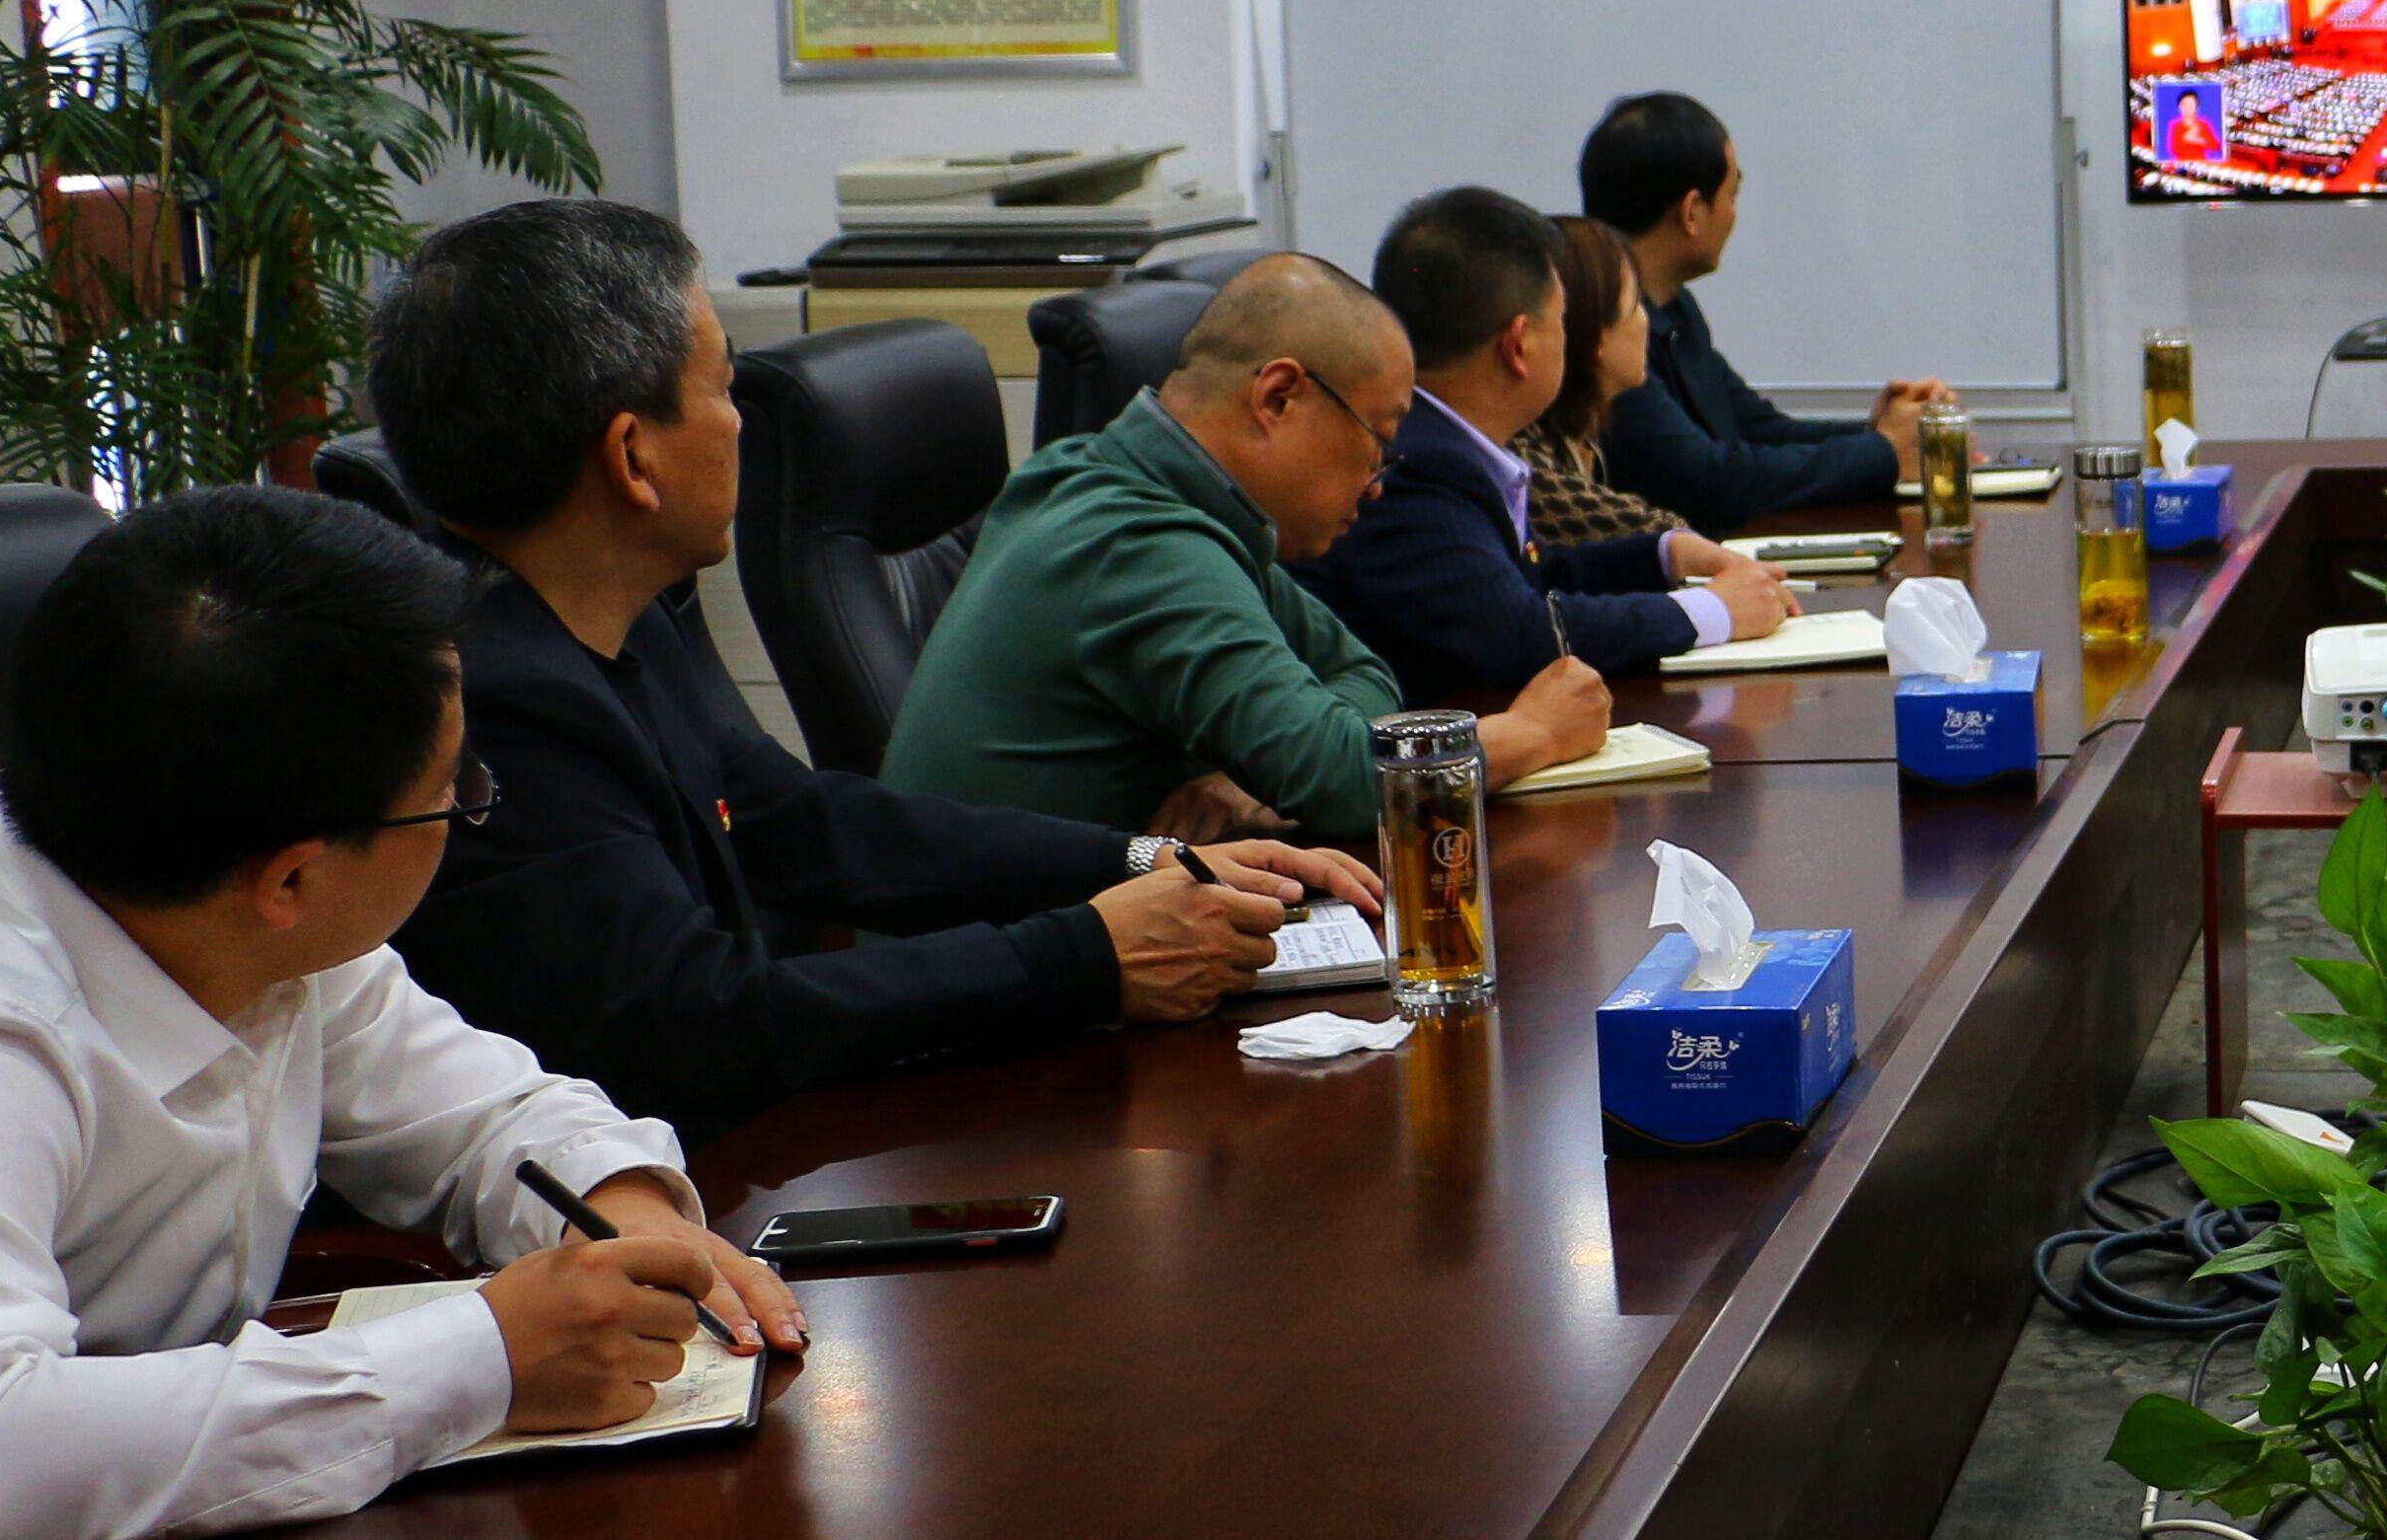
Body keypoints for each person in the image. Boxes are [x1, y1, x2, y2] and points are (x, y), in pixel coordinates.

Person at [363, 200, 1382, 1138]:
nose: (738, 423)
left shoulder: (611, 629)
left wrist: (1142, 862)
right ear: (634, 458)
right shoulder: (495, 705)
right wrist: (1086, 955)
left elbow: (810, 823)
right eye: (721, 389)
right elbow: (696, 1023)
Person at [0, 486, 808, 1540]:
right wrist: (480, 1359)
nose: (469, 806)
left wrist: (625, 1210)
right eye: (458, 791)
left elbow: (487, 1118)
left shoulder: (244, 918)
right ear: (292, 880)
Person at [881, 254, 1609, 838]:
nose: (1376, 485)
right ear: (1278, 397)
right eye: (1377, 445)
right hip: (996, 965)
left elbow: (1361, 672)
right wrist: (1531, 733)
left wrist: (1261, 769)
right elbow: (1350, 781)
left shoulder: (1136, 487)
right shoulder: (1140, 543)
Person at [1299, 186, 1798, 706]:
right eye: (1560, 321)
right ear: (1519, 346)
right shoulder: (1416, 464)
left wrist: (1663, 555)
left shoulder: (1443, 441)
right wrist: (1712, 612)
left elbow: (1533, 579)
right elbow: (1518, 634)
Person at [1581, 91, 1961, 530]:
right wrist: (1883, 451)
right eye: (1732, 195)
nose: (1733, 215)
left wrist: (1881, 433)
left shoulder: (1676, 312)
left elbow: (1759, 431)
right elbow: (1706, 480)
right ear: (1692, 212)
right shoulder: (1605, 333)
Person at [1529, 214, 1678, 551]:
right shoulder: (1525, 461)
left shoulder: (1579, 437)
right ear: (1596, 332)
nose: (1646, 322)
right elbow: (1665, 535)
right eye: (1636, 303)